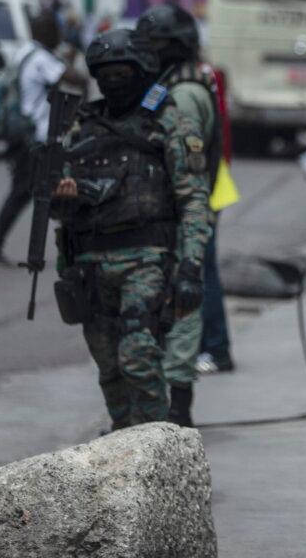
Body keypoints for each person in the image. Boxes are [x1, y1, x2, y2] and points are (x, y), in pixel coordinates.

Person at [50, 28, 212, 429]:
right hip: (89, 265)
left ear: (142, 71)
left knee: (138, 357)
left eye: (122, 72)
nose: (112, 82)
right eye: (105, 74)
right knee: (109, 368)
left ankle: (157, 443)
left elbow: (193, 199)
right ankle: (124, 443)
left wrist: (191, 266)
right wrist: (63, 197)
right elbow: (56, 203)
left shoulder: (168, 122)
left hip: (146, 262)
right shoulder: (80, 126)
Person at [137, 3, 230, 424]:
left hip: (183, 217)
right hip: (168, 218)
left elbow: (186, 171)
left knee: (185, 303)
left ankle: (176, 416)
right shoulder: (171, 84)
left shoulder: (186, 94)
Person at [0, 8, 86, 264]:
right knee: (42, 191)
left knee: (29, 191)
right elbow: (75, 80)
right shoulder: (41, 58)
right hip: (35, 137)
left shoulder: (25, 51)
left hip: (23, 133)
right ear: (49, 32)